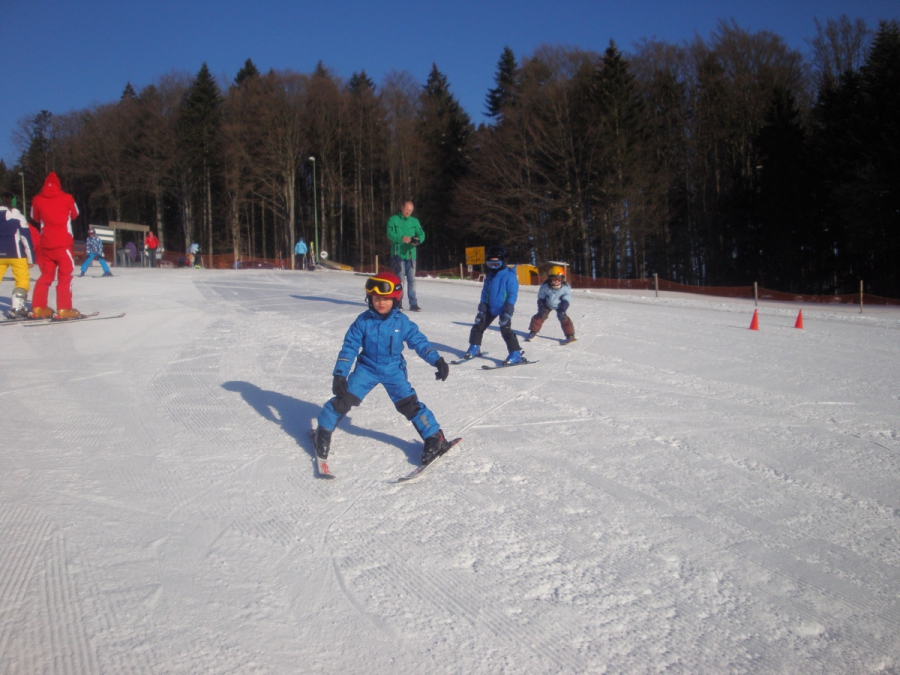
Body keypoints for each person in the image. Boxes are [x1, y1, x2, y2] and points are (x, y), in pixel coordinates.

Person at [311, 271, 454, 474]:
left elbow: (419, 342)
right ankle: (323, 430)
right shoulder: (362, 321)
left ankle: (434, 436)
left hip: (393, 370)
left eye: (386, 299)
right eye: (376, 299)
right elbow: (349, 347)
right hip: (366, 368)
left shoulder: (402, 323)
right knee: (344, 399)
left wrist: (437, 360)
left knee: (409, 405)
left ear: (395, 300)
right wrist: (340, 374)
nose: (380, 303)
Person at [30, 172, 83, 320]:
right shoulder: (67, 198)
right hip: (63, 244)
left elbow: (34, 217)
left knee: (46, 275)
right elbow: (75, 214)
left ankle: (39, 307)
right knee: (65, 275)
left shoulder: (37, 199)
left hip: (46, 244)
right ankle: (64, 308)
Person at [461, 245, 525, 365]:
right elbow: (485, 291)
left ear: (504, 262)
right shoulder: (490, 275)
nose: (493, 267)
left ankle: (515, 353)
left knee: (506, 331)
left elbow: (512, 294)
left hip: (503, 308)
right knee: (478, 325)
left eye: (496, 264)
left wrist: (509, 308)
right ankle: (474, 347)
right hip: (490, 307)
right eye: (490, 264)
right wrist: (483, 304)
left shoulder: (509, 276)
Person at [0, 196, 36, 319]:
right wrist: (31, 259)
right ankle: (17, 307)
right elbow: (25, 238)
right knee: (22, 280)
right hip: (16, 254)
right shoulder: (17, 217)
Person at [386, 200, 424, 311]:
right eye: (407, 209)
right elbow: (389, 233)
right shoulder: (393, 220)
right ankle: (398, 302)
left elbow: (421, 234)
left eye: (410, 210)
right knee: (399, 279)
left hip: (411, 255)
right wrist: (401, 238)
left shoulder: (415, 221)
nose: (408, 212)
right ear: (402, 207)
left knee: (412, 280)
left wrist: (418, 240)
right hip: (398, 255)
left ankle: (413, 304)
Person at [525, 266, 576, 343]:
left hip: (560, 305)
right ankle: (533, 332)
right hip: (547, 304)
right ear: (550, 278)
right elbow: (541, 298)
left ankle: (570, 335)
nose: (557, 281)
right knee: (540, 315)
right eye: (554, 279)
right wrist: (541, 307)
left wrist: (562, 309)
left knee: (563, 316)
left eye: (559, 279)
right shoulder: (545, 287)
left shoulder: (565, 288)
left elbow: (566, 299)